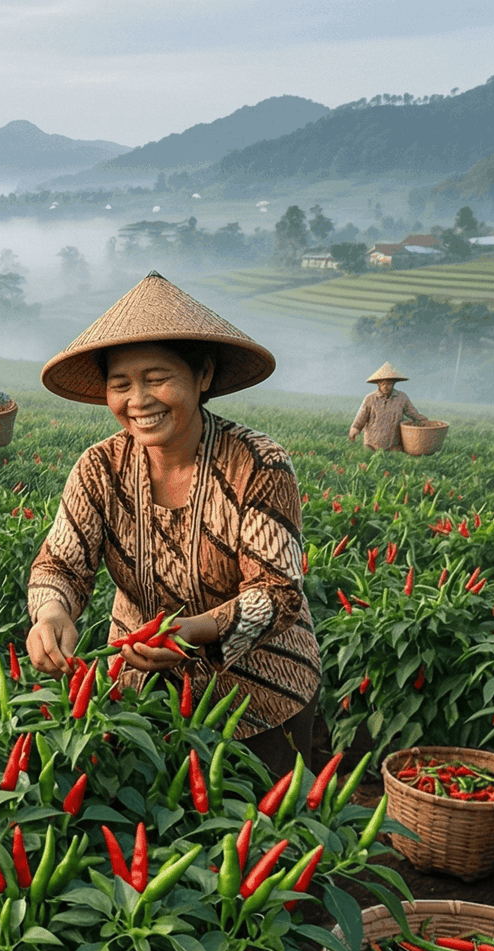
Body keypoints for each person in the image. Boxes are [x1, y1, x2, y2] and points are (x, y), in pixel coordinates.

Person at [25, 271, 320, 777]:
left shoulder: (258, 463)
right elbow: (60, 564)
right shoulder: (99, 468)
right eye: (121, 385)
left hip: (259, 692)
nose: (137, 400)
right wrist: (51, 613)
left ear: (202, 375)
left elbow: (277, 592)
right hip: (141, 689)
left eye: (156, 378)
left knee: (263, 835)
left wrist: (193, 632)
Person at [349, 363, 427, 452]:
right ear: (378, 384)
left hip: (394, 441)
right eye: (383, 384)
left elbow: (412, 412)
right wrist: (355, 427)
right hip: (372, 441)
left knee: (395, 459)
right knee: (370, 458)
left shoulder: (401, 397)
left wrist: (421, 419)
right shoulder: (370, 398)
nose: (386, 386)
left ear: (393, 384)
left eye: (389, 383)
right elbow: (362, 415)